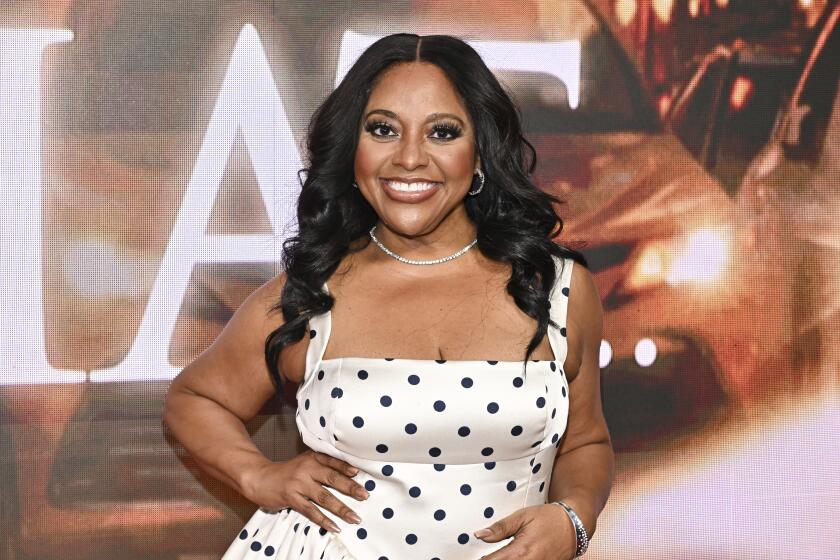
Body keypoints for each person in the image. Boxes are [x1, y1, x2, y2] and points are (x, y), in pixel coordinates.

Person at [163, 33, 614, 560]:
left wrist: (574, 518)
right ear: (352, 149)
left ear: (480, 153)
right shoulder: (309, 295)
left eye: (442, 132)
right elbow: (194, 399)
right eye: (383, 129)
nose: (410, 158)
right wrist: (257, 474)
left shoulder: (556, 289)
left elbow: (586, 442)